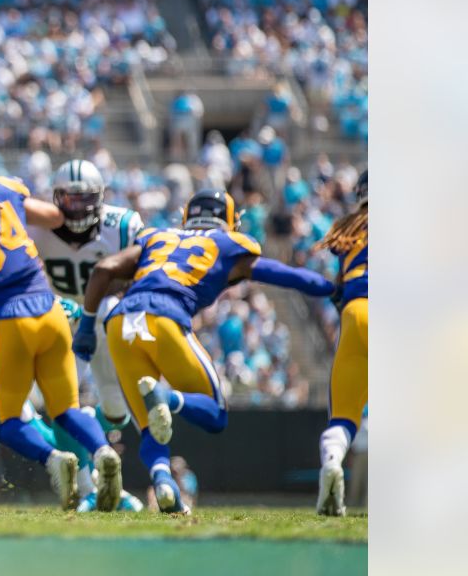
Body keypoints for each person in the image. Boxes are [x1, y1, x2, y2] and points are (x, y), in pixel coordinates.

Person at [78, 189, 335, 513]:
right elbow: (285, 275)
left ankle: (164, 484)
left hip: (119, 324)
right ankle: (168, 398)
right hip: (165, 317)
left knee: (149, 427)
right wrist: (331, 288)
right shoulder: (227, 244)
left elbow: (103, 270)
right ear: (230, 221)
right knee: (214, 414)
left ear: (186, 216)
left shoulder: (156, 236)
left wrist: (87, 326)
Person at [0, 160, 125, 512]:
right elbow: (55, 217)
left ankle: (53, 459)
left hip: (8, 320)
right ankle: (103, 451)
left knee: (5, 422)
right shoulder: (3, 188)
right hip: (51, 312)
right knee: (66, 410)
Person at [29, 159, 145, 512]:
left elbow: (142, 275)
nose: (77, 207)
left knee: (114, 410)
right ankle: (85, 485)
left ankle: (101, 458)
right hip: (61, 319)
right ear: (55, 197)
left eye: (85, 199)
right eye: (69, 198)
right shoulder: (37, 229)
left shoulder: (124, 225)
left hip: (103, 321)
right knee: (61, 404)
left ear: (101, 198)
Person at [314, 171, 367, 516]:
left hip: (355, 312)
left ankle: (332, 463)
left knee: (343, 416)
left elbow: (338, 283)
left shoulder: (348, 226)